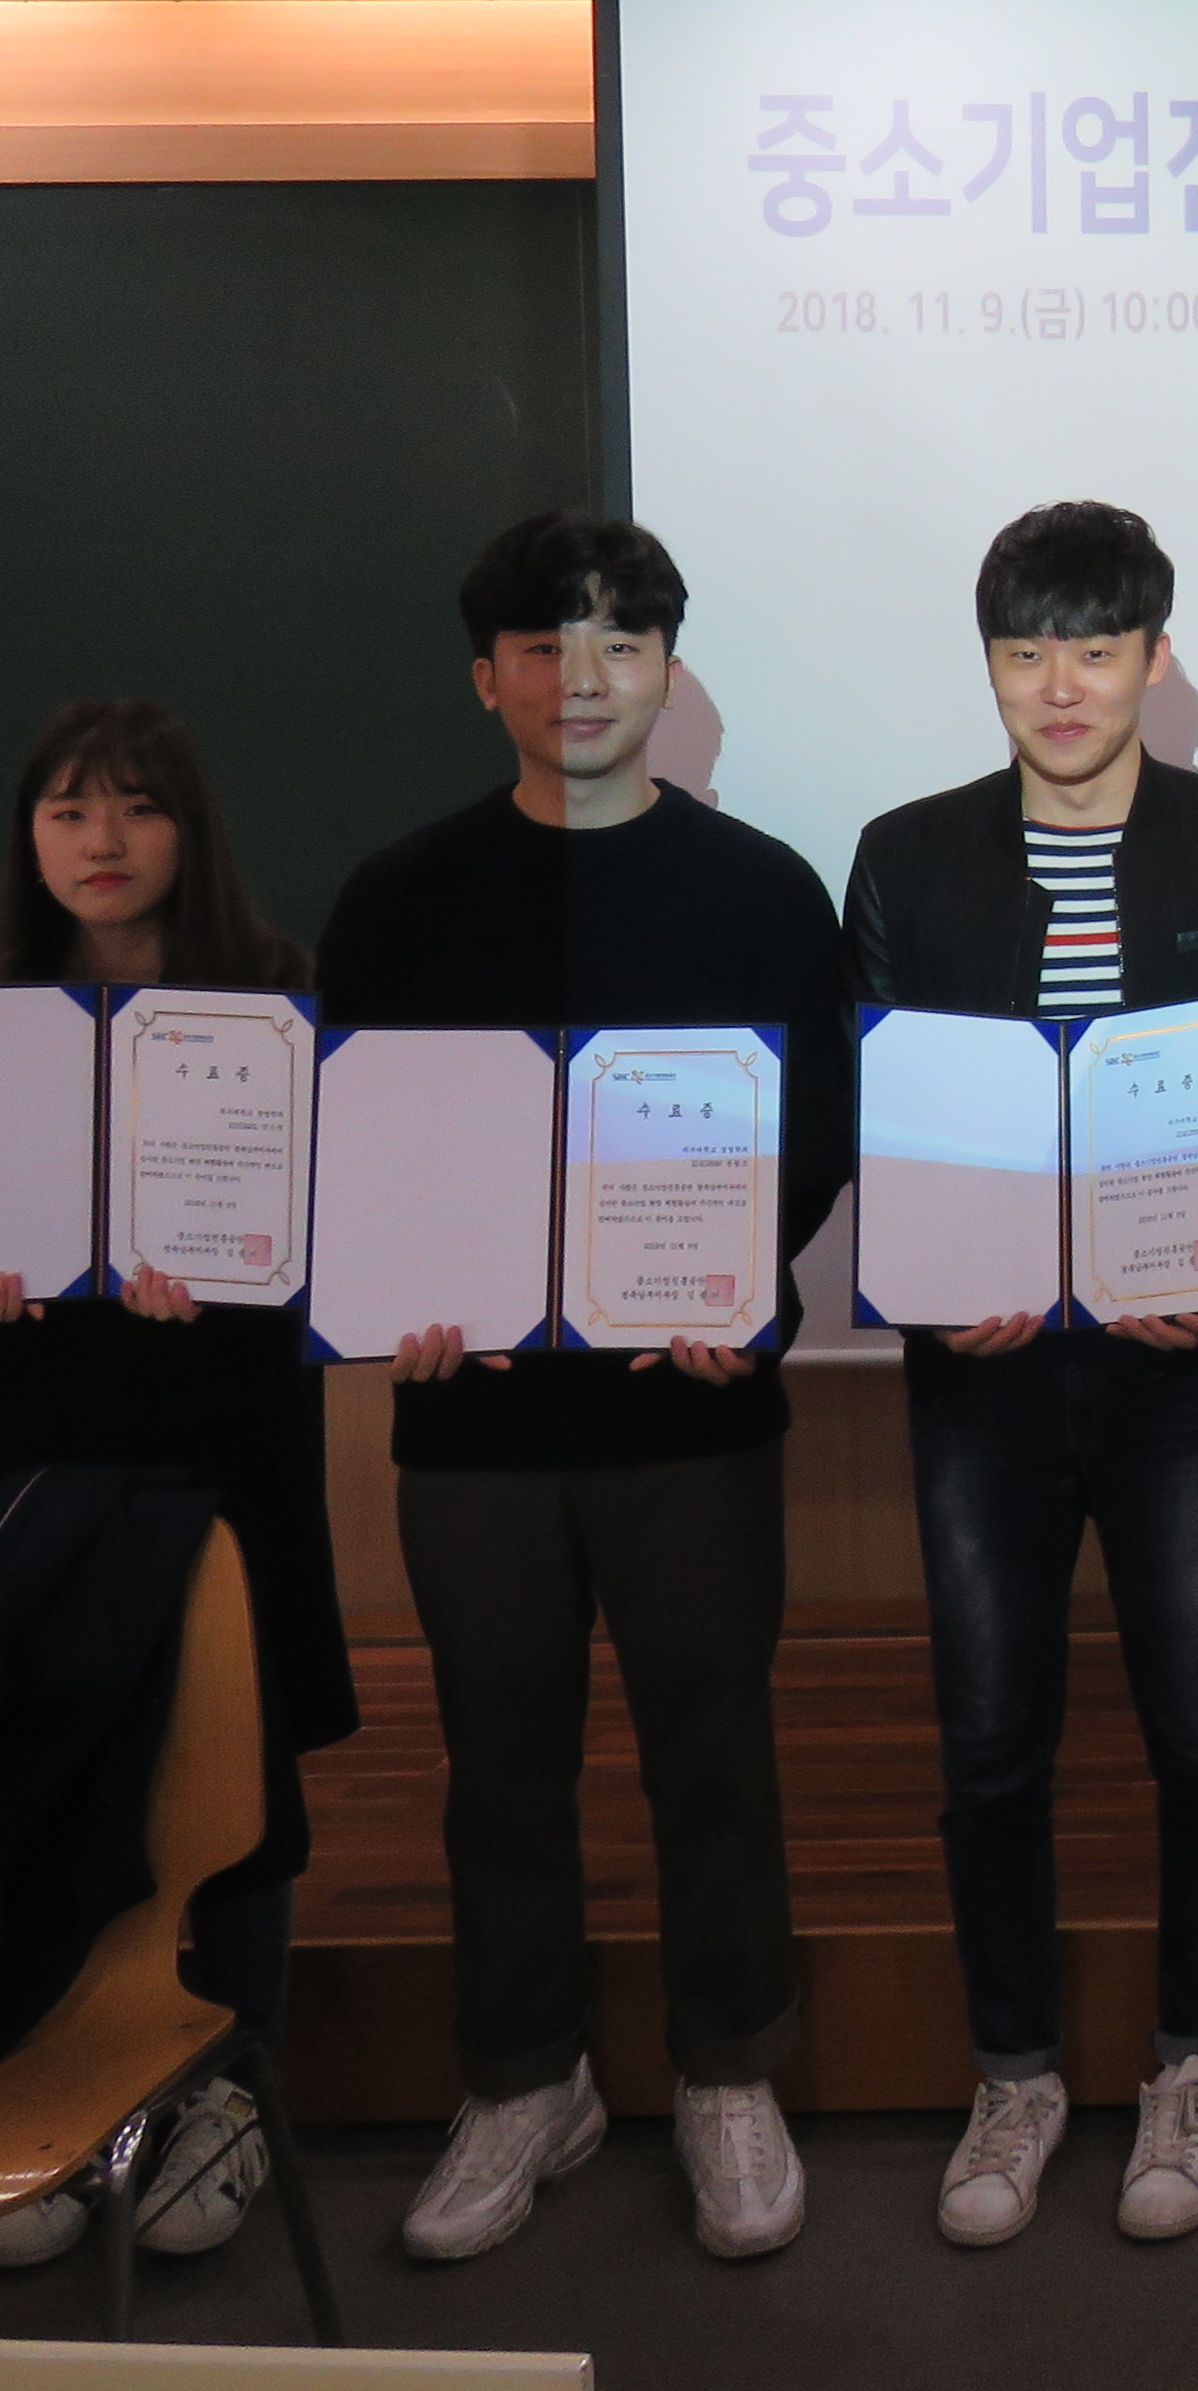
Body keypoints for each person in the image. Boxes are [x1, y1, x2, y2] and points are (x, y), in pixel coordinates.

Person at [314, 511, 856, 2266]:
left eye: (622, 642)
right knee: (499, 1770)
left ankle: (728, 2071)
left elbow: (816, 1135)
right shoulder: (398, 899)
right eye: (544, 647)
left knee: (715, 1759)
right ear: (488, 679)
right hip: (471, 1423)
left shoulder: (762, 890)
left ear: (669, 670)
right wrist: (392, 1293)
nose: (583, 679)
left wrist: (735, 1289)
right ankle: (523, 2080)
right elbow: (363, 1145)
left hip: (692, 1411)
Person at [843, 502, 1198, 2248]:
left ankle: (1193, 2060)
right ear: (989, 665)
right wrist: (935, 1281)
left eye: (1094, 648)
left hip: (1180, 1376)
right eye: (1024, 652)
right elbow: (874, 1094)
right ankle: (1016, 2074)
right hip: (980, 1381)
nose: (1059, 686)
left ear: (1155, 656)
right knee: (991, 1740)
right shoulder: (907, 857)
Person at [0, 698, 350, 2275]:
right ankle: (62, 2098)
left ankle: (225, 2093)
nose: (102, 842)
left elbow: (341, 1226)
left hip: (219, 1420)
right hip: (26, 1425)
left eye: (137, 807)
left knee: (228, 1766)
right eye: (68, 810)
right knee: (43, 1762)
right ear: (29, 838)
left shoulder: (283, 1001)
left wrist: (234, 1269)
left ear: (191, 829)